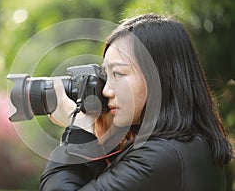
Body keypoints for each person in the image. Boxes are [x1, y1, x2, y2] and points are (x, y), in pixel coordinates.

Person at [39, 14, 233, 191]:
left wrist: (78, 134)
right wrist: (102, 141)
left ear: (159, 76)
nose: (106, 90)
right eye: (106, 75)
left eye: (118, 73)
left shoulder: (162, 156)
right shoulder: (189, 144)